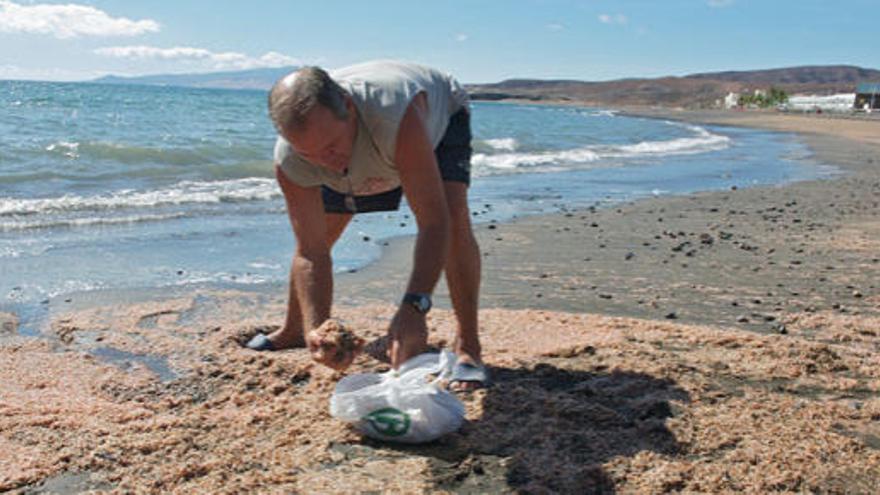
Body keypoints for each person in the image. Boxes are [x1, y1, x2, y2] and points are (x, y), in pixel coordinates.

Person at [247, 60, 488, 390]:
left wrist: (414, 307)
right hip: (371, 148)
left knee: (453, 214)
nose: (326, 162)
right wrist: (318, 329)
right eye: (310, 154)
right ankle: (295, 329)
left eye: (331, 146)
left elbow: (434, 223)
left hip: (437, 115)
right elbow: (310, 251)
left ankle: (469, 346)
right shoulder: (292, 159)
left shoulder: (394, 118)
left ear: (348, 106)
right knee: (323, 232)